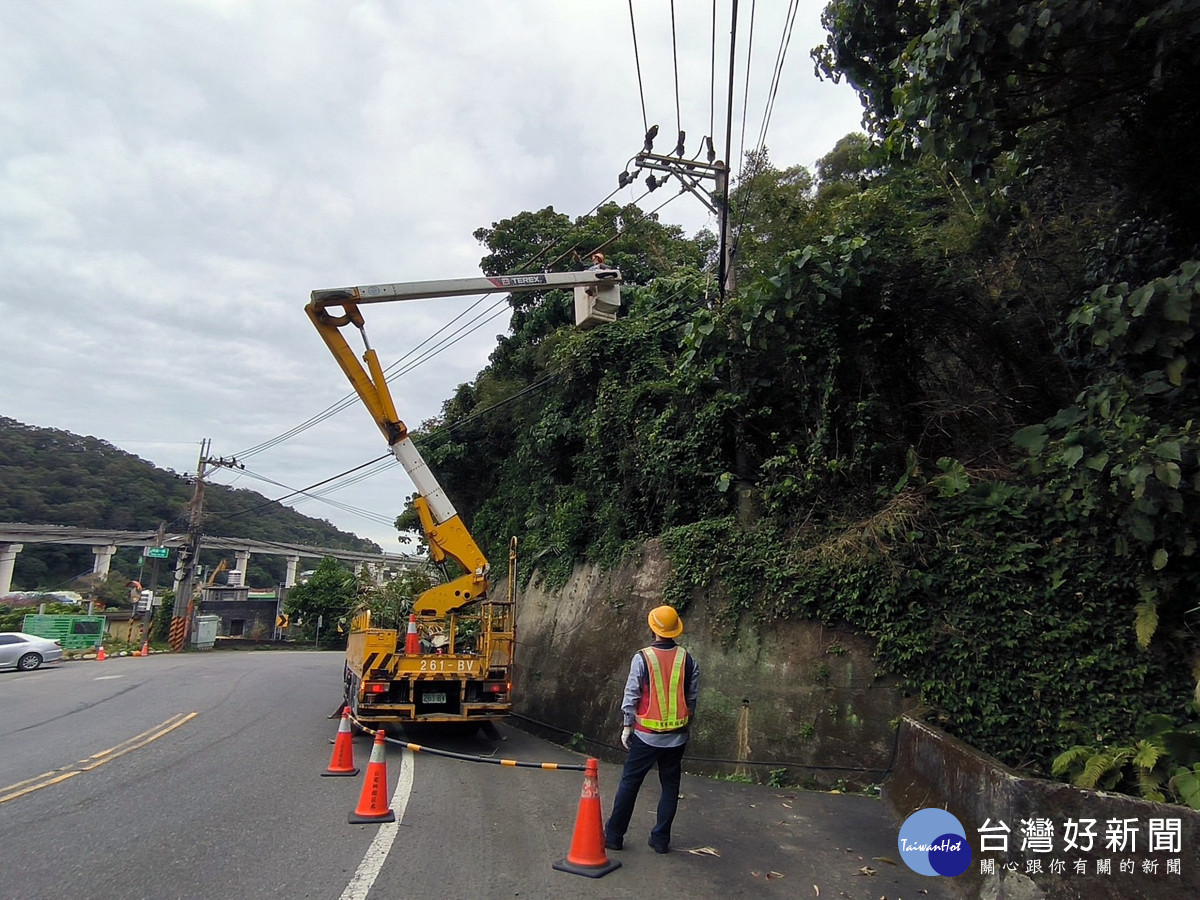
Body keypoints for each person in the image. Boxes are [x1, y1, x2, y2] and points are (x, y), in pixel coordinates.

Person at [604, 604, 700, 854]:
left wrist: (627, 726)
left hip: (646, 736)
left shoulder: (643, 657)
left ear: (653, 628)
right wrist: (685, 727)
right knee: (670, 787)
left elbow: (631, 693)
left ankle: (614, 836)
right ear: (675, 630)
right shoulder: (688, 659)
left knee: (630, 783)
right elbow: (692, 699)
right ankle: (660, 840)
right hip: (677, 738)